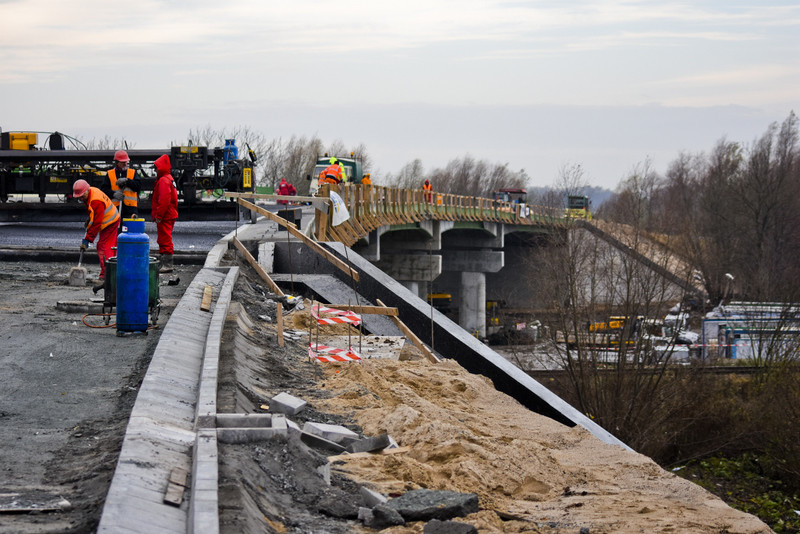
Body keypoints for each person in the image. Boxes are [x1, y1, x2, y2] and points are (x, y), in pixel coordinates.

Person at [73, 178, 120, 290]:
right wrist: (89, 220)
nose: (80, 198)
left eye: (81, 196)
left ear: (86, 191)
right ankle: (110, 272)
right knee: (110, 246)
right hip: (110, 219)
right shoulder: (90, 193)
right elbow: (94, 216)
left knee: (103, 246)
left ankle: (107, 275)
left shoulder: (96, 201)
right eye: (78, 197)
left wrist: (88, 239)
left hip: (110, 222)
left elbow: (97, 223)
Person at [151, 154, 179, 274]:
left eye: (156, 168)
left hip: (165, 215)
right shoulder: (168, 178)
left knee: (165, 239)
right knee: (164, 238)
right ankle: (165, 263)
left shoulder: (163, 180)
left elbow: (164, 200)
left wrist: (159, 215)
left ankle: (167, 265)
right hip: (168, 214)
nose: (155, 170)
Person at [101, 150, 141, 221]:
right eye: (122, 162)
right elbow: (104, 190)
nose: (125, 163)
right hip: (115, 208)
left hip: (131, 209)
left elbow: (138, 187)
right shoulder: (110, 174)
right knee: (116, 231)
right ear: (116, 162)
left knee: (130, 231)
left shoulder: (133, 172)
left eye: (126, 161)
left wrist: (127, 181)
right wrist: (114, 194)